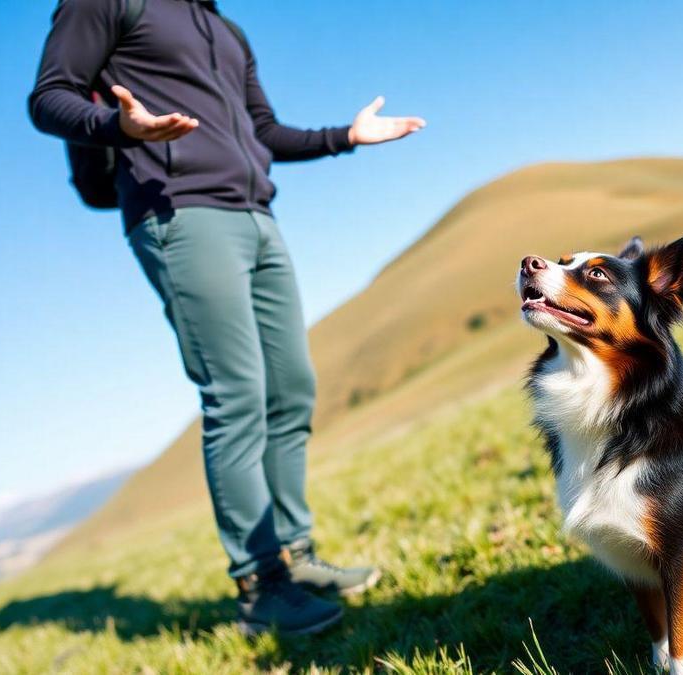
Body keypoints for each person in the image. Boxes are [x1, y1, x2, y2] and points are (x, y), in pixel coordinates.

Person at [29, 0, 425, 636]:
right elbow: (48, 97)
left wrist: (344, 138)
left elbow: (262, 130)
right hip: (179, 214)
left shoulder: (225, 28)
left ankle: (296, 557)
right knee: (236, 393)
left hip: (257, 218)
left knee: (291, 387)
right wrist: (120, 128)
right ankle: (261, 587)